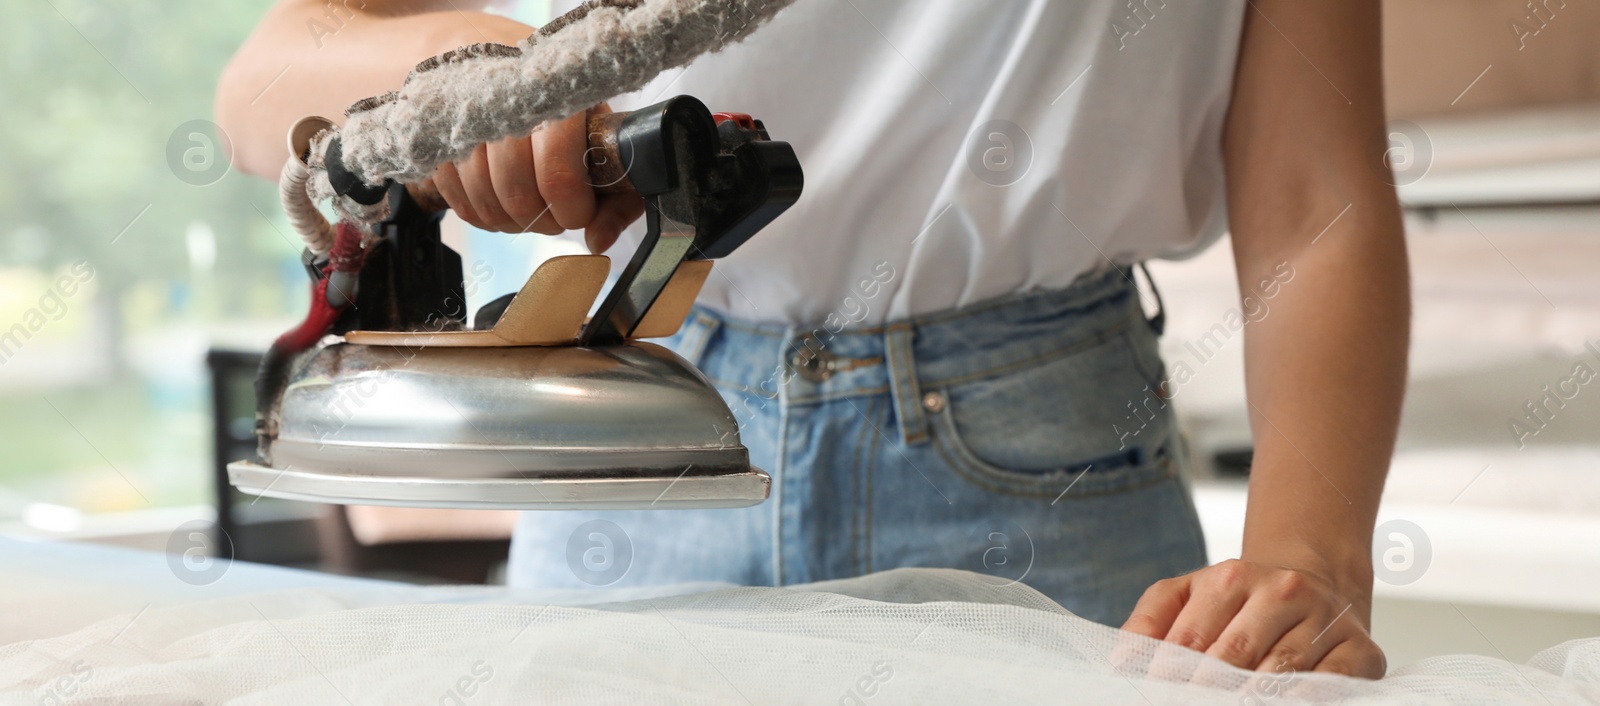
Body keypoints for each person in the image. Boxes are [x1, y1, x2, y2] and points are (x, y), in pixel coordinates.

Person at [219, 0, 1407, 678]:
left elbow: (1316, 201)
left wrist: (1311, 557)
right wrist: (468, 84)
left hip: (1046, 473)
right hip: (645, 440)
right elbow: (265, 80)